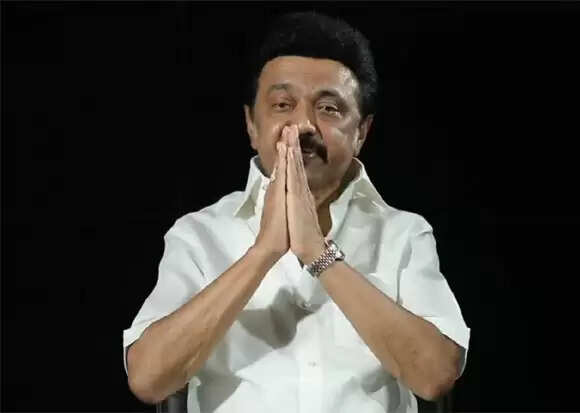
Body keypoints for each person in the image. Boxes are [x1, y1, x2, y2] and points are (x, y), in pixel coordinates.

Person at [123, 11, 470, 413]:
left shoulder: (403, 234)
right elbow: (148, 378)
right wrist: (263, 252)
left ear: (361, 132)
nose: (303, 124)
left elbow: (434, 376)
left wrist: (317, 253)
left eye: (329, 109)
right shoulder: (199, 234)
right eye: (282, 104)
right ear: (251, 124)